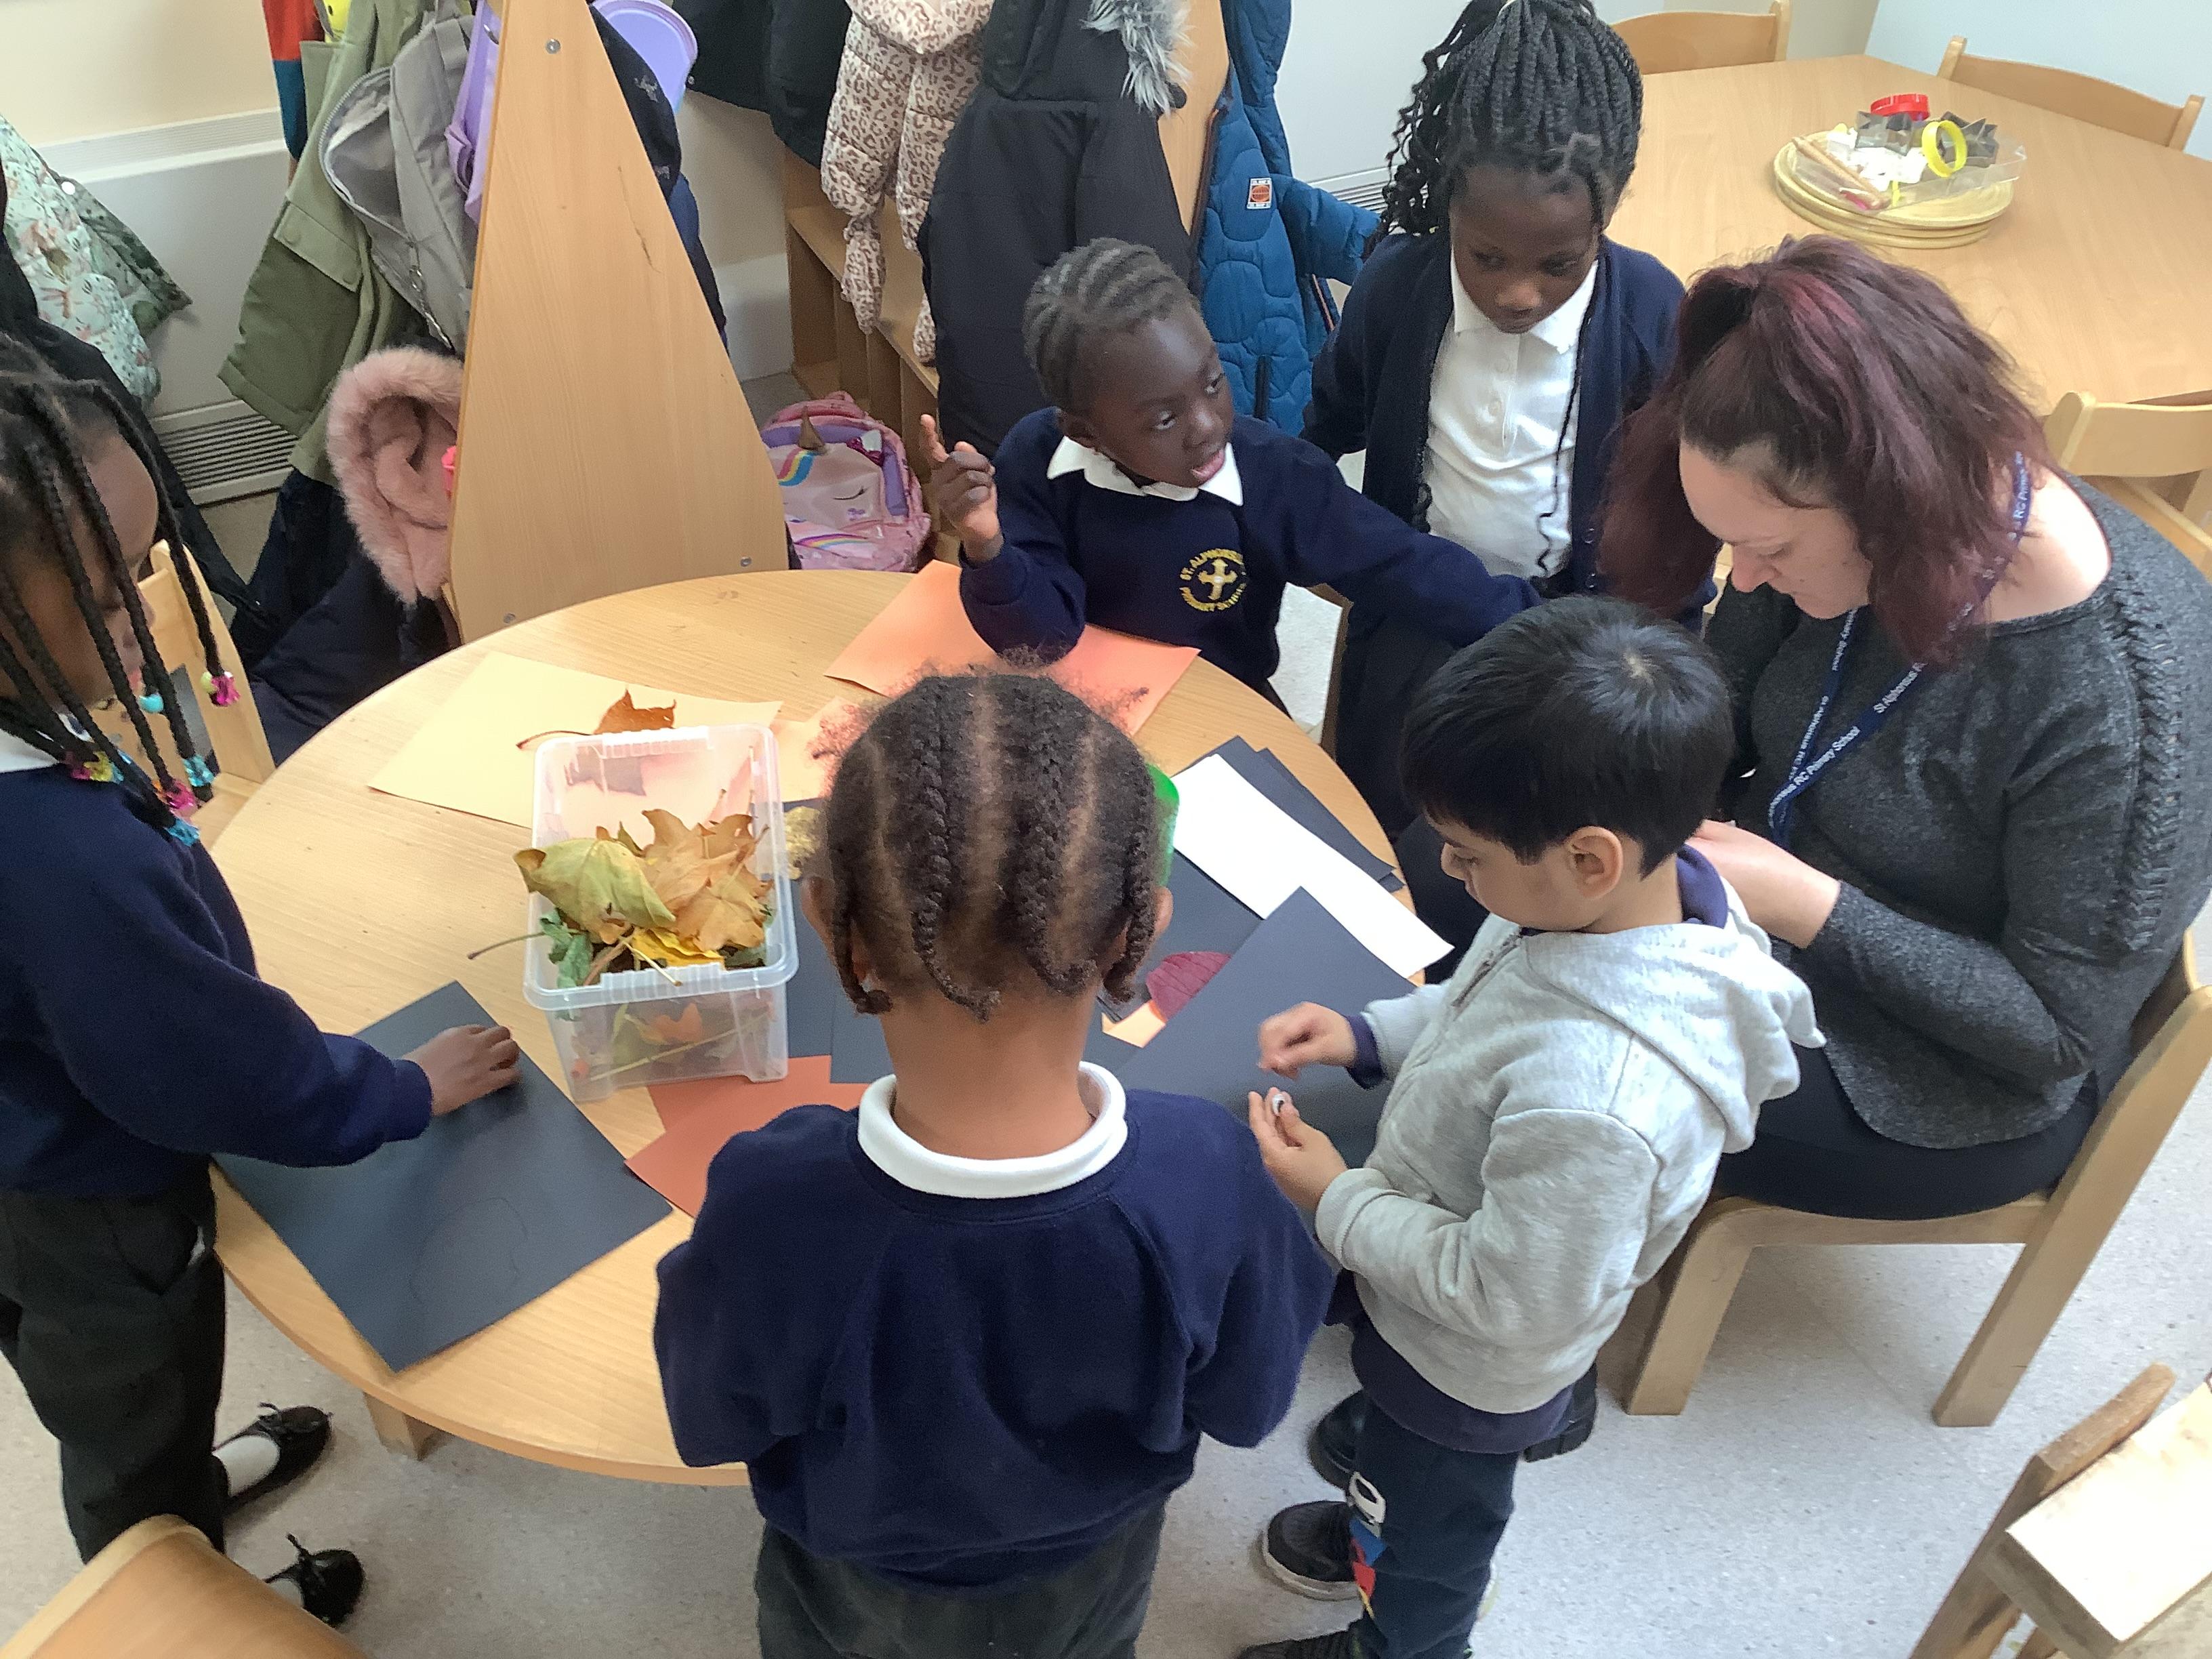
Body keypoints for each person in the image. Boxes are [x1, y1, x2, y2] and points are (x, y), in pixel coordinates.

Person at [653, 672, 1332, 1659]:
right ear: (1139, 931)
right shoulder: (1213, 1175)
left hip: (859, 1584)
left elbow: (710, 1420)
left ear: (832, 927)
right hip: (1094, 1569)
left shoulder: (772, 1201)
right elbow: (1248, 1403)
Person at [0, 345, 520, 1622]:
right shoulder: (61, 861)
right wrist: (400, 1089)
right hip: (91, 1207)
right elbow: (216, 1073)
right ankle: (177, 1588)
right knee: (135, 1417)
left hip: (28, 1149)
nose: (146, 622)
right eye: (111, 594)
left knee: (108, 1391)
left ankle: (182, 1495)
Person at [1237, 599, 1821, 1659]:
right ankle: (1379, 1505)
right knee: (1399, 1468)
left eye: (1467, 856)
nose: (1452, 872)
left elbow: (1501, 1297)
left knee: (1432, 1538)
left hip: (1472, 1360)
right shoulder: (1601, 901)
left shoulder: (1598, 1103)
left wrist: (1336, 1199)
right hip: (1432, 1286)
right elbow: (1483, 1007)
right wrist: (1370, 1035)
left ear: (1591, 858)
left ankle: (1402, 1637)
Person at [1602, 234, 2212, 1223]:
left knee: (1578, 1055)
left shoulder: (2115, 706)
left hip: (1941, 1074)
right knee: (1477, 862)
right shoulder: (1839, 525)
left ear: (1890, 500)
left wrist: (1803, 904)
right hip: (1764, 906)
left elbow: (2052, 1033)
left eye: (1766, 550)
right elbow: (1722, 706)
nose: (1743, 580)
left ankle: (1487, 1299)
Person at [1304, 0, 1685, 848]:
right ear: (1449, 208)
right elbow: (1326, 424)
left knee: (1529, 834)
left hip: (1568, 633)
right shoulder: (1395, 289)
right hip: (1417, 608)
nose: (1517, 293)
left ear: (1607, 214)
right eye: (1486, 258)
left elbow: (1677, 509)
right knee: (1381, 822)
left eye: (1559, 264)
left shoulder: (1653, 313)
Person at [921, 239, 1540, 708]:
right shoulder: (1038, 457)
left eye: (1213, 383)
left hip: (1222, 707)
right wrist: (987, 544)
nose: (1206, 426)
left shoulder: (1275, 474)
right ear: (1086, 434)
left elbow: (1401, 565)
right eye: (1164, 419)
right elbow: (1042, 639)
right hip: (1083, 710)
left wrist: (1545, 628)